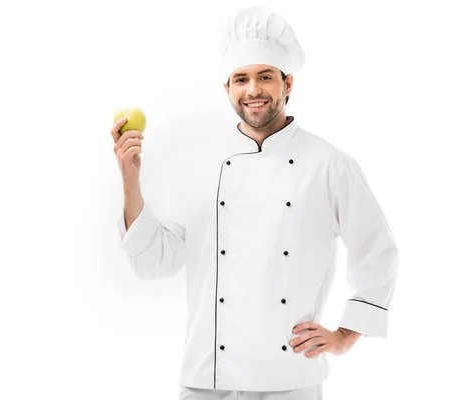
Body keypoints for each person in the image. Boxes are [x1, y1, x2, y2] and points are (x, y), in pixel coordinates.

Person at [110, 6, 399, 400]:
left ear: (288, 83)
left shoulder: (329, 164)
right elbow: (155, 262)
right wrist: (130, 178)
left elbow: (377, 250)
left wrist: (345, 336)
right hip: (206, 377)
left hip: (289, 378)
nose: (253, 90)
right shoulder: (201, 164)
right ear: (227, 89)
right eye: (241, 79)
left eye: (265, 77)